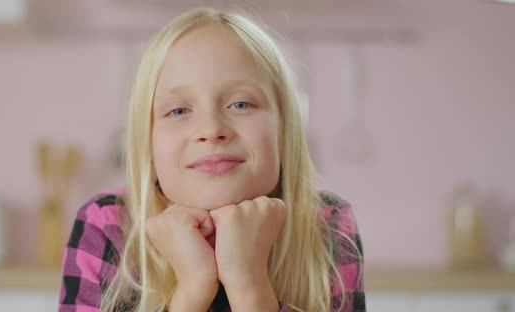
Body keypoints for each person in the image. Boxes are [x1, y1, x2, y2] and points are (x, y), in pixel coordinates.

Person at [58, 6, 365, 312]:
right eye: (178, 110)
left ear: (284, 132)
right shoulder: (108, 225)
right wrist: (193, 288)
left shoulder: (326, 225)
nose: (211, 130)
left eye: (241, 104)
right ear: (148, 147)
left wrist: (249, 282)